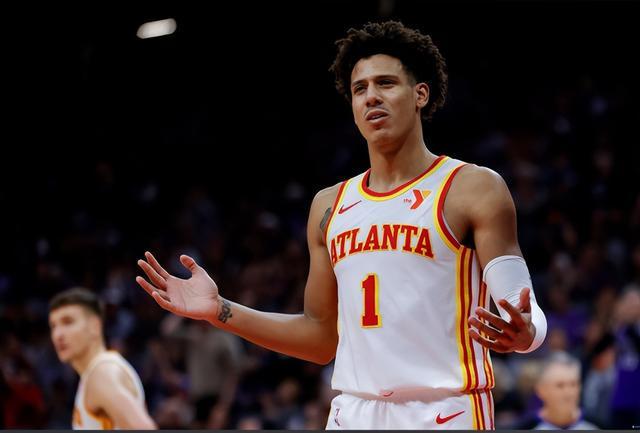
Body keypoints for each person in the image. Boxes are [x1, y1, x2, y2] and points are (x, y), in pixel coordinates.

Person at [136, 20, 547, 429]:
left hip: (444, 411)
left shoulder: (472, 187)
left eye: (386, 83)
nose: (371, 97)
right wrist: (220, 310)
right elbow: (319, 338)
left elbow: (521, 304)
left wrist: (528, 333)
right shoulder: (329, 205)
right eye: (359, 88)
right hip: (353, 412)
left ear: (420, 94)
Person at [48, 287, 156, 429]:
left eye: (68, 322)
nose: (58, 334)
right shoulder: (94, 374)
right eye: (53, 326)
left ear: (95, 326)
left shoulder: (102, 373)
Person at [515, 352, 597, 429]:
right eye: (560, 385)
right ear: (541, 390)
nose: (568, 393)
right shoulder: (524, 427)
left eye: (573, 384)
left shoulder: (596, 426)